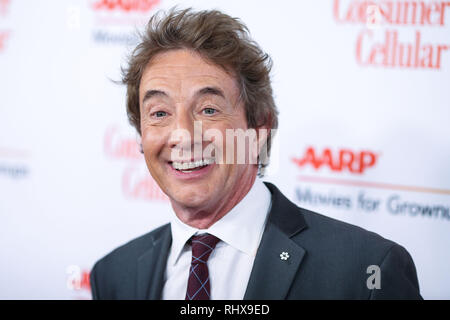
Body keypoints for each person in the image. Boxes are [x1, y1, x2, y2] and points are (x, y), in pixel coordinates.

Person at [90, 8, 422, 300]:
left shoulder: (366, 272)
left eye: (208, 109)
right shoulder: (114, 276)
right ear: (140, 135)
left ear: (260, 127)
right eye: (159, 113)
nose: (184, 136)